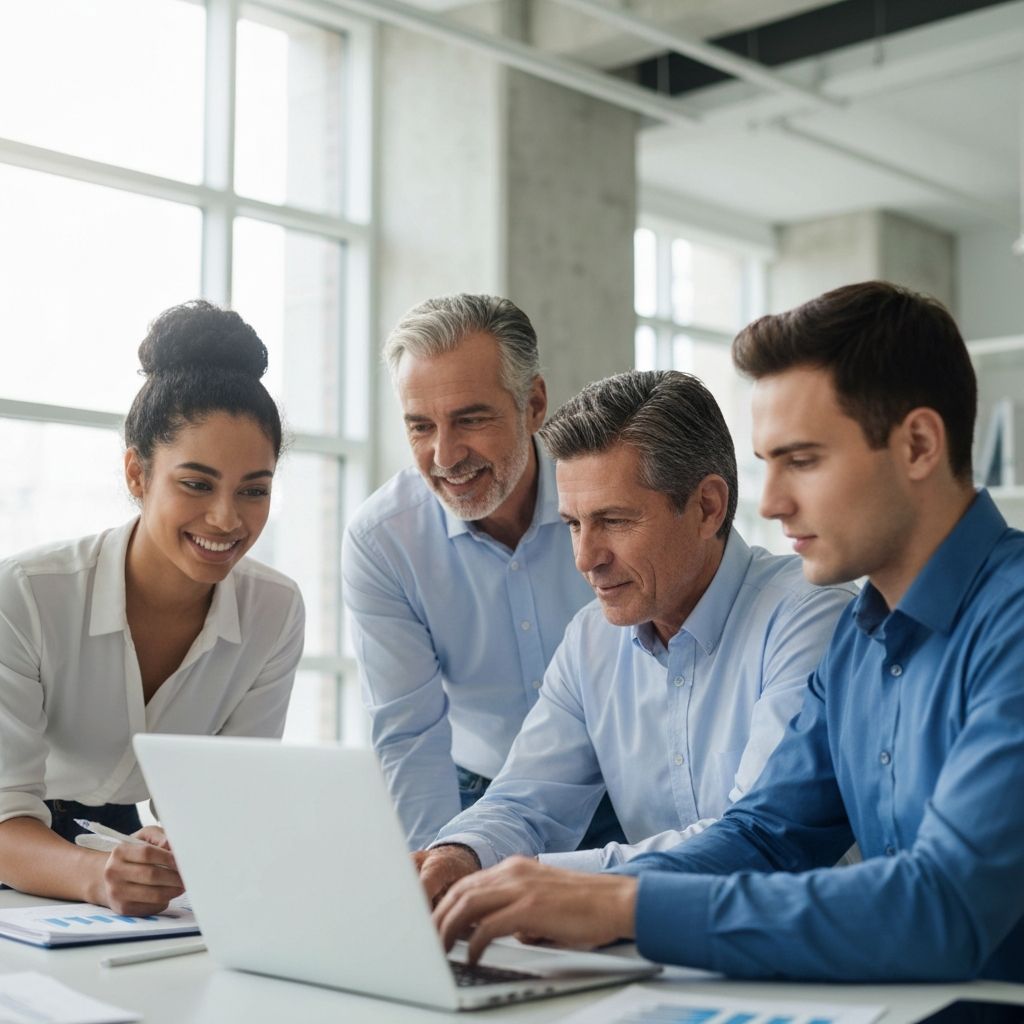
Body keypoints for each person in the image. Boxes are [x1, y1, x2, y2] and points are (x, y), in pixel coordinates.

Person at [430, 281, 1024, 984]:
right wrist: (557, 893)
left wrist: (626, 906)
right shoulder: (863, 642)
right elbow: (766, 836)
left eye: (802, 460)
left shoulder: (1006, 624)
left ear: (919, 444)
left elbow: (941, 907)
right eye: (768, 464)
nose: (770, 502)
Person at [417, 370, 854, 902]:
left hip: (803, 962)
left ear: (707, 507)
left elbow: (755, 843)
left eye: (615, 521)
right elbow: (526, 804)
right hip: (658, 954)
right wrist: (460, 856)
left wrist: (548, 884)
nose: (585, 559)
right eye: (574, 524)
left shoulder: (810, 618)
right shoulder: (590, 643)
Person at [0, 300, 304, 916]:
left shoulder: (275, 612)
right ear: (137, 474)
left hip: (114, 847)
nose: (226, 518)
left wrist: (183, 844)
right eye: (196, 484)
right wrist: (95, 877)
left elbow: (224, 805)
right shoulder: (26, 594)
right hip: (21, 843)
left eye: (254, 490)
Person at [342, 295, 595, 850]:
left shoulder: (609, 502)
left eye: (470, 419)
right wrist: (432, 873)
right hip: (475, 791)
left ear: (533, 405)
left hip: (617, 784)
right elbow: (408, 734)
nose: (445, 455)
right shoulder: (383, 539)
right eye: (420, 427)